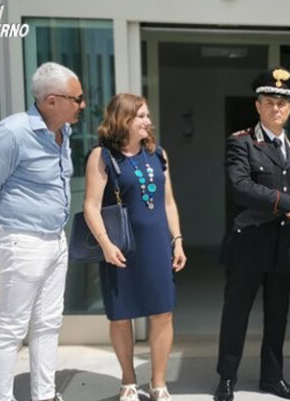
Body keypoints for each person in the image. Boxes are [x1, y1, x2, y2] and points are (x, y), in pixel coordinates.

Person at [0, 61, 85, 401]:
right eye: (76, 98)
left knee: (48, 324)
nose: (82, 105)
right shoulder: (13, 133)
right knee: (11, 329)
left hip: (54, 239)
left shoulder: (64, 133)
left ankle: (44, 395)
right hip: (23, 240)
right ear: (51, 101)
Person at [83, 93, 186, 401]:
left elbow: (168, 202)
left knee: (162, 313)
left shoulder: (158, 154)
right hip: (119, 248)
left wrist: (177, 241)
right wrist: (105, 245)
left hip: (156, 246)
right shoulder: (101, 157)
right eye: (141, 115)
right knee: (120, 316)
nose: (148, 121)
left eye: (147, 115)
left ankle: (158, 384)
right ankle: (128, 380)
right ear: (123, 119)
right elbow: (90, 206)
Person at [214, 67, 290, 401]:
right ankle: (227, 377)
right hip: (249, 242)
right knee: (237, 311)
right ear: (258, 105)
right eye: (269, 102)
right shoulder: (242, 142)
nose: (276, 109)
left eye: (282, 104)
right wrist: (288, 203)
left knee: (278, 315)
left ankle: (272, 377)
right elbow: (241, 188)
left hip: (283, 244)